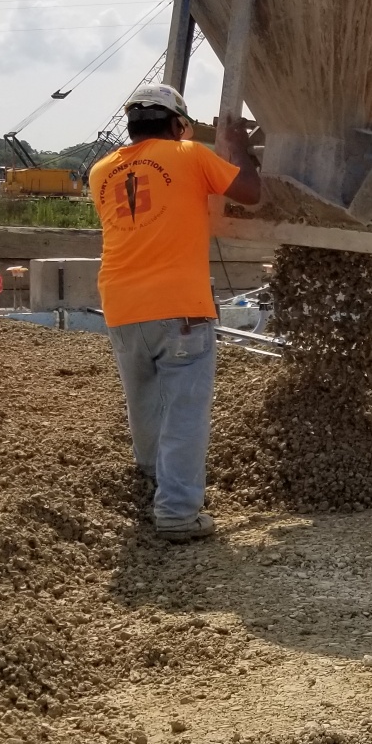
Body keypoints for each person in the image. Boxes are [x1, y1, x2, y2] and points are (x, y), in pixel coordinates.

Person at [89, 84, 261, 542]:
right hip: (179, 308)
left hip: (122, 305)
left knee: (144, 402)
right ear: (178, 123)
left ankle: (152, 482)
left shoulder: (100, 171)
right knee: (184, 412)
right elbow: (251, 193)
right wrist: (240, 148)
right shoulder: (190, 154)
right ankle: (178, 513)